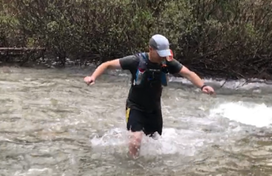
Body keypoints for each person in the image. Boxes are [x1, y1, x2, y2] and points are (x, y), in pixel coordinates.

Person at [83, 34, 215, 157]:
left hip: (154, 109)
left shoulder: (168, 62)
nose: (163, 57)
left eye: (165, 54)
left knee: (155, 142)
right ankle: (133, 167)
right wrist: (93, 77)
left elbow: (188, 73)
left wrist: (203, 86)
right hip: (135, 106)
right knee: (136, 140)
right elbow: (107, 64)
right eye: (160, 54)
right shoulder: (135, 60)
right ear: (150, 49)